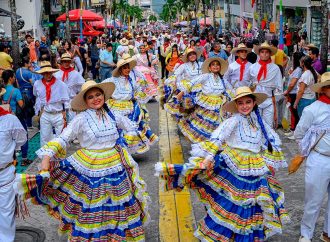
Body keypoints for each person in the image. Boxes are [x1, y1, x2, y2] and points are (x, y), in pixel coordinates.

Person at [15, 80, 150, 241]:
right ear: (85, 101)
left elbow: (132, 127)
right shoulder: (81, 119)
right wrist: (46, 158)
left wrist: (130, 136)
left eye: (98, 94)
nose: (96, 99)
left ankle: (114, 235)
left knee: (117, 202)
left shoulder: (113, 114)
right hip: (91, 168)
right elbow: (63, 138)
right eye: (91, 97)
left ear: (104, 96)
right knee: (94, 205)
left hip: (116, 166)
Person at [156, 86, 289, 241]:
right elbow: (218, 138)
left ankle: (246, 236)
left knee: (252, 204)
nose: (245, 106)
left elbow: (271, 139)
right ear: (236, 106)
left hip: (255, 168)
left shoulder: (258, 121)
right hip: (234, 165)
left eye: (248, 102)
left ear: (254, 103)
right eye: (241, 103)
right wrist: (207, 160)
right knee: (233, 204)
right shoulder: (233, 120)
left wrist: (270, 161)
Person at [295, 72, 330, 242]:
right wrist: (307, 152)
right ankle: (306, 234)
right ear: (323, 89)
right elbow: (299, 134)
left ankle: (328, 232)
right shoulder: (312, 109)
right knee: (314, 200)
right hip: (319, 159)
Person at [166, 57, 233, 143]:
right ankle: (204, 143)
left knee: (215, 126)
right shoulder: (205, 76)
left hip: (219, 107)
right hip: (206, 105)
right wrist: (180, 93)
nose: (215, 66)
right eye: (213, 65)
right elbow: (191, 83)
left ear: (220, 67)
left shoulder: (223, 80)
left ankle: (212, 143)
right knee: (203, 125)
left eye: (217, 65)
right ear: (209, 68)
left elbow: (230, 90)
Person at [103, 54, 158, 154]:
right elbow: (102, 86)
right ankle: (117, 151)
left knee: (132, 128)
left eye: (128, 67)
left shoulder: (131, 80)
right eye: (124, 68)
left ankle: (125, 152)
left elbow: (139, 86)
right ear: (120, 70)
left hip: (130, 107)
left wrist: (142, 91)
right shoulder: (113, 80)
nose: (127, 69)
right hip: (116, 108)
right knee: (117, 129)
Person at [0, 87, 27, 242]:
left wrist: (10, 151)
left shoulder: (10, 120)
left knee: (5, 210)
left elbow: (21, 139)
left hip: (4, 173)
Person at [33, 61, 70, 146]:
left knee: (60, 137)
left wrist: (65, 113)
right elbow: (36, 95)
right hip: (45, 113)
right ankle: (46, 157)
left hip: (58, 113)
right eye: (45, 73)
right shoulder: (37, 84)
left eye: (49, 72)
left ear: (52, 72)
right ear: (42, 74)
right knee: (44, 137)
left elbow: (66, 100)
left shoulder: (61, 84)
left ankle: (59, 158)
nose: (48, 75)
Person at [248, 42, 283, 128]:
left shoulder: (275, 68)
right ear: (259, 53)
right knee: (256, 123)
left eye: (266, 52)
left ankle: (268, 141)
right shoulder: (252, 67)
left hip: (269, 100)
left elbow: (279, 85)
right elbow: (249, 83)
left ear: (270, 54)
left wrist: (276, 98)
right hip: (256, 99)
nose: (264, 54)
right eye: (262, 52)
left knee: (268, 125)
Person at [1, 70, 32, 166]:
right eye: (13, 77)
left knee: (9, 139)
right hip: (16, 118)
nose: (15, 78)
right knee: (23, 135)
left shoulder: (2, 90)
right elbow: (21, 104)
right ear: (10, 78)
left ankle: (12, 159)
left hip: (3, 118)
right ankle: (24, 158)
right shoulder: (15, 90)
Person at [283, 52, 304, 137]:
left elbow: (292, 84)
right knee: (293, 112)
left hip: (293, 93)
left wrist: (287, 91)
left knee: (294, 113)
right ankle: (293, 129)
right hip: (292, 93)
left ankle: (295, 131)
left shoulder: (298, 69)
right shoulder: (297, 69)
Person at [16, 56, 35, 130]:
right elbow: (33, 83)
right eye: (29, 62)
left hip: (21, 90)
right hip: (28, 92)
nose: (31, 63)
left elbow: (17, 82)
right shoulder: (28, 73)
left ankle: (24, 123)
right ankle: (29, 124)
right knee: (29, 108)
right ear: (26, 64)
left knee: (23, 108)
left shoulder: (18, 70)